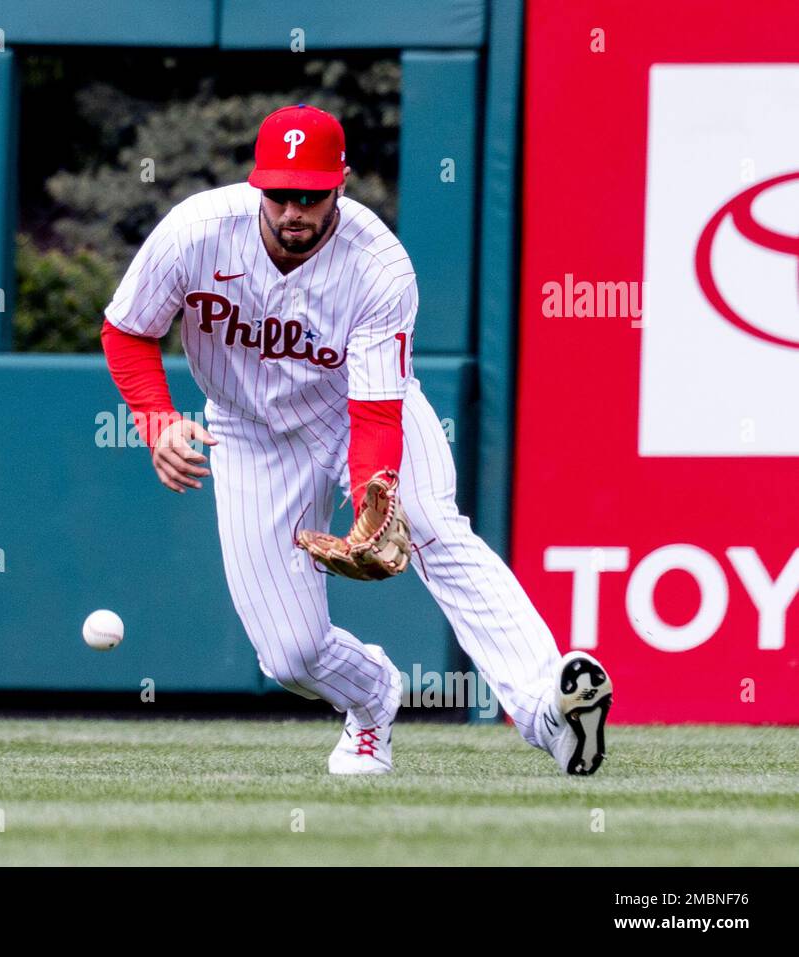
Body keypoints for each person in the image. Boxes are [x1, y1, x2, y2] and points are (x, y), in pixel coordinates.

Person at [100, 104, 613, 775]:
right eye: (280, 193)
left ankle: (549, 707)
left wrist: (376, 499)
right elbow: (128, 329)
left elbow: (374, 412)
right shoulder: (196, 231)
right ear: (258, 185)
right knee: (288, 654)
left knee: (432, 526)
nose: (293, 210)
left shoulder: (378, 265)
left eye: (310, 196)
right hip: (247, 432)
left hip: (353, 410)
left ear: (339, 186)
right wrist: (157, 419)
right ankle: (370, 697)